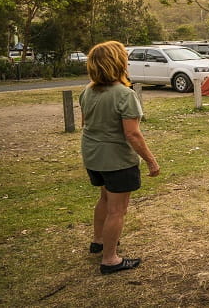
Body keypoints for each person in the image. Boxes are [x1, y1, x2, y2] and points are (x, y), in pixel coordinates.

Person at [79, 40, 161, 275]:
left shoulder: (87, 91)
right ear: (118, 63)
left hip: (93, 156)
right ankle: (110, 259)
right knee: (117, 209)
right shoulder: (125, 94)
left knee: (104, 198)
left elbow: (86, 124)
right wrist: (151, 161)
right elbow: (132, 134)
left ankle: (99, 241)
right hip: (116, 159)